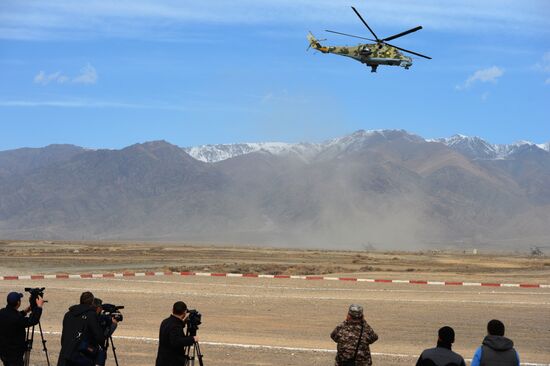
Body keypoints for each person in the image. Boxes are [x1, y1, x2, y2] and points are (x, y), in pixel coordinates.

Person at [57, 291, 106, 366]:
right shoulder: (91, 315)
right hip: (80, 358)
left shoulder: (68, 314)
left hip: (65, 355)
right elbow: (100, 338)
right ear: (92, 303)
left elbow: (64, 337)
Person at [0, 292, 44, 366]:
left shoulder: (2, 312)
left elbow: (12, 317)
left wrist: (24, 312)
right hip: (14, 355)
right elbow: (32, 321)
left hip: (4, 352)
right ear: (18, 302)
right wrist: (39, 307)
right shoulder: (17, 319)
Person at [155, 301, 198, 366]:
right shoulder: (176, 326)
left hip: (162, 361)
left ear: (172, 310)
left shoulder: (165, 321)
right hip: (172, 362)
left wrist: (183, 322)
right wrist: (192, 339)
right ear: (185, 312)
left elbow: (173, 327)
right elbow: (175, 341)